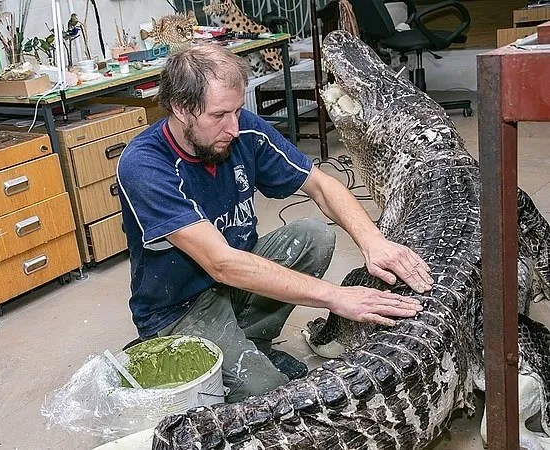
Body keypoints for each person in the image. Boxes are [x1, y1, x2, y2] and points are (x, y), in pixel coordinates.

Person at [116, 43, 433, 403]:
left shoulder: (239, 130)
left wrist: (373, 241)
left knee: (313, 236)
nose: (234, 127)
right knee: (266, 394)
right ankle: (219, 351)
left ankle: (253, 339)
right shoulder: (144, 165)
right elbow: (221, 263)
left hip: (232, 279)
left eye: (237, 111)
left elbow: (321, 185)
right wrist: (334, 297)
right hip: (181, 306)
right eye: (219, 115)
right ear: (181, 108)